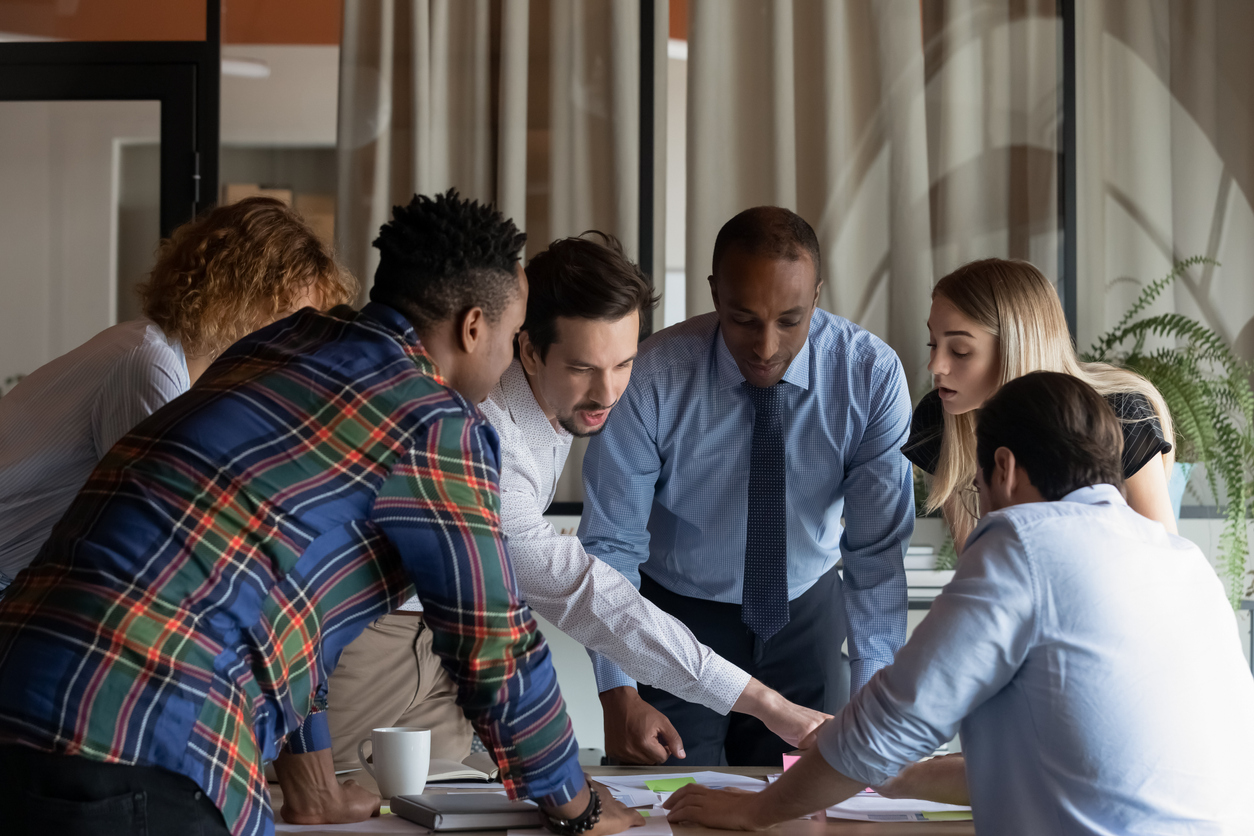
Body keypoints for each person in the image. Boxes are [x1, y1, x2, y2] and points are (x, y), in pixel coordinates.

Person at [0, 191, 640, 836]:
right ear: (474, 327)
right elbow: (493, 642)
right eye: (511, 336)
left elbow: (272, 589)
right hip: (141, 735)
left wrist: (314, 788)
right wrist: (576, 803)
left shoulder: (273, 350)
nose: (510, 357)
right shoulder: (435, 422)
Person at [663, 372, 1254, 834]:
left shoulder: (1024, 540)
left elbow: (887, 726)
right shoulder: (1183, 562)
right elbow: (1060, 769)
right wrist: (900, 780)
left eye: (976, 486)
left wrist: (754, 813)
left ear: (1005, 467)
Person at [476, 232, 828, 764]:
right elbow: (583, 593)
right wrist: (765, 703)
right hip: (385, 644)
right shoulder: (489, 441)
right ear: (528, 349)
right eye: (582, 368)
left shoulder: (556, 406)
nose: (609, 393)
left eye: (623, 364)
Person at [579, 206, 914, 765]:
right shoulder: (652, 375)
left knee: (812, 811)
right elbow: (612, 544)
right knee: (672, 807)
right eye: (743, 319)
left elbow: (876, 556)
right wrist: (617, 690)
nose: (764, 346)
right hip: (675, 623)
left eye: (790, 319)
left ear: (817, 294)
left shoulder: (870, 376)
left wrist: (875, 696)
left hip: (806, 618)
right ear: (714, 292)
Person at [0, 196, 355, 594]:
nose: (295, 344)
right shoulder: (149, 363)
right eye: (288, 318)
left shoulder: (172, 367)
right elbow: (175, 529)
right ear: (235, 294)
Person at [904, 257, 1177, 549]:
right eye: (932, 344)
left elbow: (1166, 561)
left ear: (1016, 347)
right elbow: (976, 560)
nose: (935, 365)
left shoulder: (1120, 414)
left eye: (960, 351)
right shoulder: (939, 419)